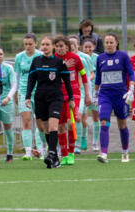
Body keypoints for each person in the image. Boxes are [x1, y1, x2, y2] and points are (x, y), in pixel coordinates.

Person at [25, 36, 74, 168]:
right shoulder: (36, 61)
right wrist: (28, 96)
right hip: (40, 98)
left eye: (47, 44)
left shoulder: (59, 62)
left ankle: (52, 153)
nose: (45, 47)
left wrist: (71, 98)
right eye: (43, 44)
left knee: (53, 127)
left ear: (52, 46)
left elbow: (67, 81)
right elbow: (31, 80)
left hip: (55, 98)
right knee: (45, 128)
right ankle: (55, 157)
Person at [93, 33, 135, 163]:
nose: (109, 45)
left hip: (120, 96)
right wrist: (95, 93)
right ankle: (104, 153)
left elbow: (131, 73)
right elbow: (98, 77)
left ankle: (125, 151)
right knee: (104, 122)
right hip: (105, 95)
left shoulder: (123, 56)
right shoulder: (100, 58)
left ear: (116, 43)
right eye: (107, 42)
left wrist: (131, 89)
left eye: (111, 42)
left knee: (122, 125)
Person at [54, 35, 91, 165]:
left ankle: (71, 153)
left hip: (73, 94)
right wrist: (62, 66)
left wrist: (87, 94)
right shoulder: (54, 59)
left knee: (71, 122)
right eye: (57, 46)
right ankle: (64, 156)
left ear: (67, 47)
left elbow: (84, 76)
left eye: (61, 46)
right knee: (60, 126)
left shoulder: (75, 58)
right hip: (58, 95)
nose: (59, 49)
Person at [14, 33, 44, 160]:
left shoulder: (40, 56)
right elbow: (17, 76)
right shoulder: (19, 57)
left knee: (40, 122)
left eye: (30, 44)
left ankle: (41, 150)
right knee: (26, 121)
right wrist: (16, 92)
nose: (28, 46)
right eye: (25, 44)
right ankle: (28, 152)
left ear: (35, 44)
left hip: (38, 92)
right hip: (23, 92)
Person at [0, 46, 17, 162]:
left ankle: (10, 153)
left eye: (1, 54)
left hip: (7, 102)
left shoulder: (8, 68)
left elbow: (14, 85)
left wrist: (8, 98)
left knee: (8, 127)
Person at [68, 35, 94, 153]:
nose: (71, 47)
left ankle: (81, 140)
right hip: (69, 92)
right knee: (74, 118)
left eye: (73, 45)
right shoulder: (64, 60)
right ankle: (75, 143)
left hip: (82, 91)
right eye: (69, 45)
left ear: (77, 46)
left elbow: (88, 76)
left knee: (81, 118)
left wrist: (88, 93)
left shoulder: (83, 58)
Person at [82, 38, 101, 152]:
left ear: (93, 47)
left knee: (95, 116)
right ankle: (83, 139)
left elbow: (95, 74)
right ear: (82, 47)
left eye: (90, 47)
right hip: (83, 91)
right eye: (86, 47)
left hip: (94, 91)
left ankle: (95, 142)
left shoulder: (97, 58)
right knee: (82, 117)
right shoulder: (80, 58)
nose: (88, 49)